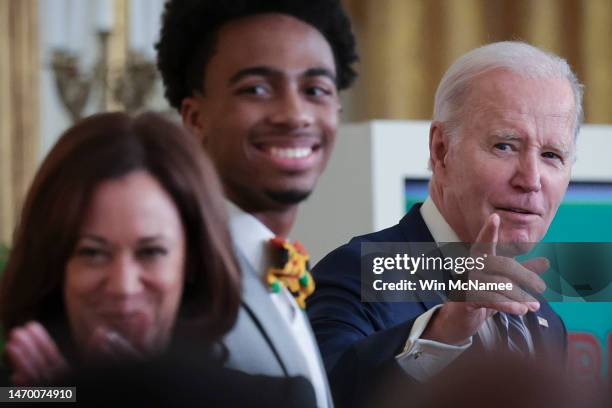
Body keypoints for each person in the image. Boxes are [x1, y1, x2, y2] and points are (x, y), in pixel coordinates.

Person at [307, 41, 583, 407]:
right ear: (441, 150)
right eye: (505, 146)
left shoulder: (544, 322)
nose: (531, 179)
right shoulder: (360, 273)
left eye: (551, 155)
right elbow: (325, 396)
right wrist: (443, 332)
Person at [0, 112, 316, 407]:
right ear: (55, 265)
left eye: (151, 252)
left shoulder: (270, 401)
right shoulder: (23, 395)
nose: (123, 286)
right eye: (92, 253)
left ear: (192, 261)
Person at [156, 1, 358, 406]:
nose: (294, 114)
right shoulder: (168, 274)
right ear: (195, 118)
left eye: (315, 90)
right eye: (256, 89)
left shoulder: (277, 266)